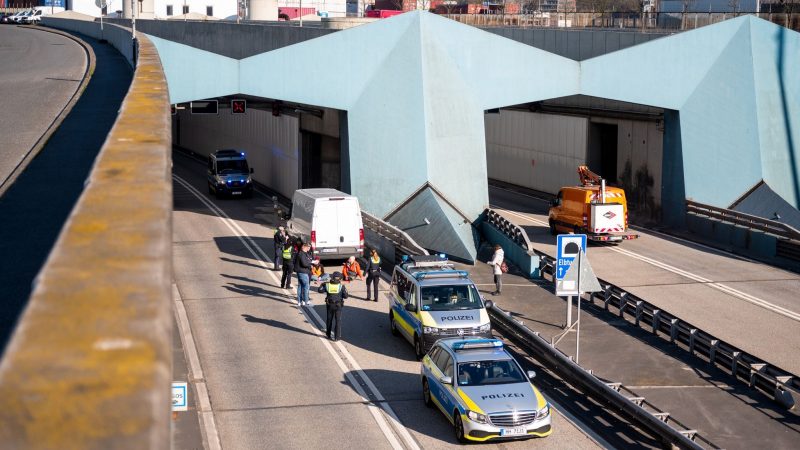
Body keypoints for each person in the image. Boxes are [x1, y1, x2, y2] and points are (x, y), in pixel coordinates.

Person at [319, 271, 348, 341]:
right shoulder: (341, 286)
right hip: (338, 305)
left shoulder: (327, 285)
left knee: (329, 319)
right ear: (340, 279)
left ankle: (328, 334)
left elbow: (320, 290)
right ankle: (336, 337)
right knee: (338, 321)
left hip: (330, 305)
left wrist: (322, 285)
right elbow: (346, 296)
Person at [294, 242, 313, 306]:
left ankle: (300, 301)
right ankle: (306, 301)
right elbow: (304, 263)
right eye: (308, 247)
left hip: (300, 272)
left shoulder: (302, 253)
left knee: (300, 286)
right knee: (306, 287)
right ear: (304, 247)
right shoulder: (302, 254)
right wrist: (310, 264)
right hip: (303, 272)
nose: (309, 248)